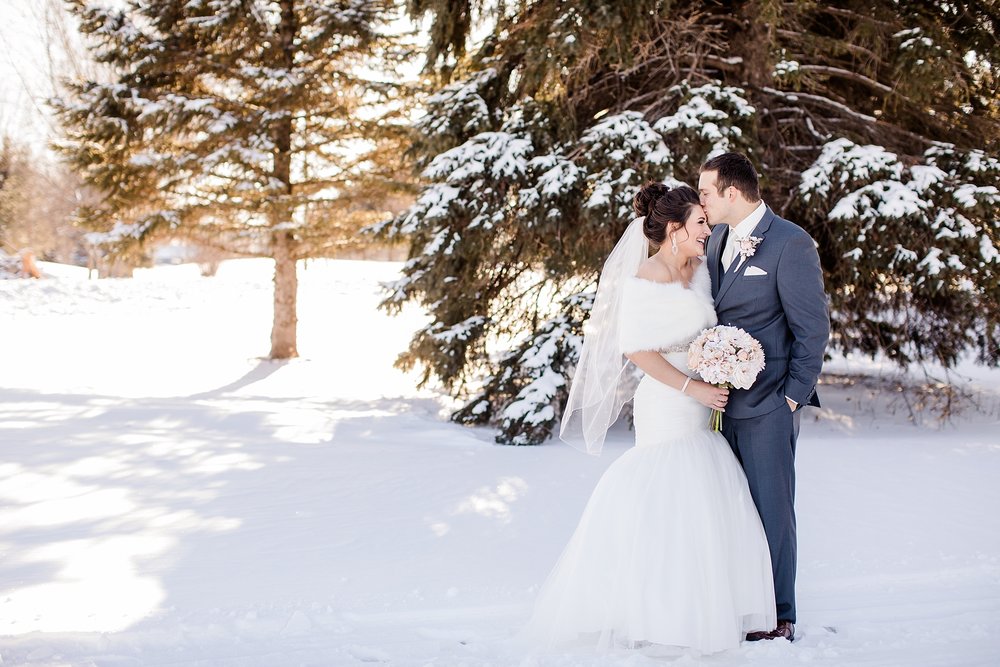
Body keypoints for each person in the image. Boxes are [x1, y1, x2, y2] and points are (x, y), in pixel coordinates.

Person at [522, 183, 776, 654]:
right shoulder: (647, 276)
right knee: (670, 489)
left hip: (702, 401)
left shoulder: (698, 270)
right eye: (701, 222)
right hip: (667, 399)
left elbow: (709, 331)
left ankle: (704, 606)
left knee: (706, 490)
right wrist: (692, 385)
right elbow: (637, 349)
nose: (709, 228)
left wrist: (724, 362)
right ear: (676, 229)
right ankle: (652, 610)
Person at [698, 152, 830, 642]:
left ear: (732, 192)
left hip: (770, 402)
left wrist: (792, 398)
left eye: (707, 193)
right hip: (718, 404)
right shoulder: (714, 241)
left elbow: (812, 330)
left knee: (773, 509)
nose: (702, 202)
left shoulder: (790, 243)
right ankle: (741, 603)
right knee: (730, 508)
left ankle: (779, 615)